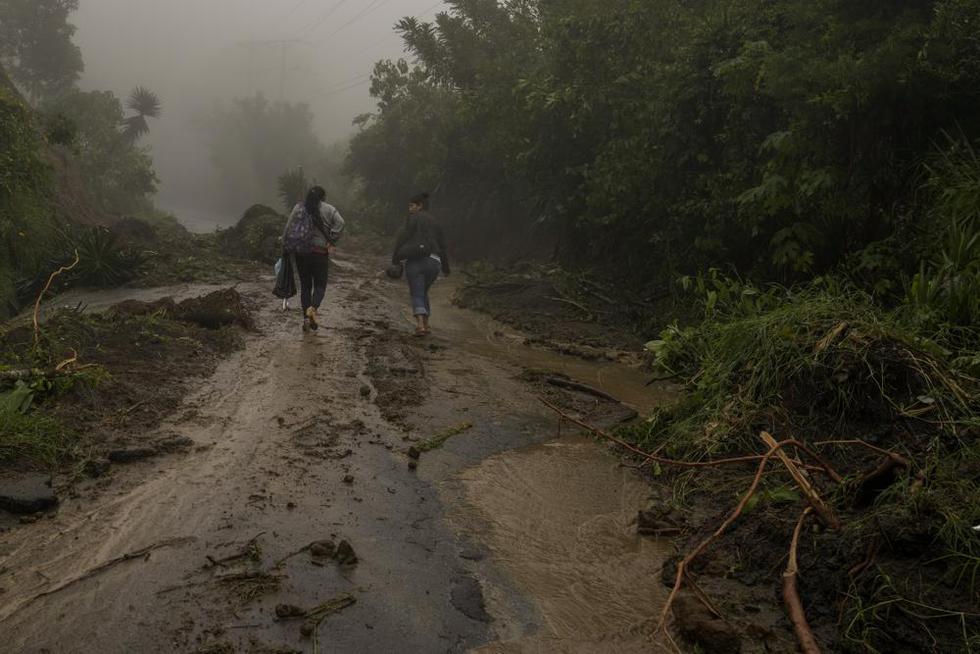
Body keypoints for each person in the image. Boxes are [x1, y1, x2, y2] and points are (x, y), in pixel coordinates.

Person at [282, 185, 345, 332]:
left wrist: (285, 245)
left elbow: (288, 227)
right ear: (323, 197)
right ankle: (313, 309)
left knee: (305, 286)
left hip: (301, 253)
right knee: (320, 286)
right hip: (319, 253)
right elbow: (341, 223)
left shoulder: (298, 207)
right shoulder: (329, 209)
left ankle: (306, 317)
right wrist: (332, 238)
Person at [391, 192, 450, 336]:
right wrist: (445, 267)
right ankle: (427, 324)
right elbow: (442, 246)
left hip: (416, 261)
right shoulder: (436, 222)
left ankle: (420, 326)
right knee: (423, 291)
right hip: (434, 262)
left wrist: (396, 258)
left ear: (419, 206)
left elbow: (403, 236)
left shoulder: (413, 218)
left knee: (417, 292)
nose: (409, 209)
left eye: (411, 206)